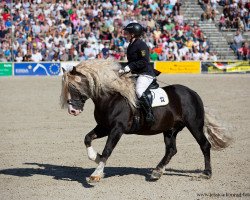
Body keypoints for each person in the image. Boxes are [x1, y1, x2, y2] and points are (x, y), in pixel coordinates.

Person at [118, 22, 156, 125]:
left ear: (133, 34)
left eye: (127, 33)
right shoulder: (131, 45)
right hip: (135, 73)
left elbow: (144, 61)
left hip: (145, 74)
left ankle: (149, 114)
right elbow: (131, 61)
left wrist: (129, 67)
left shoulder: (141, 45)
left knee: (139, 91)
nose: (125, 35)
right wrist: (121, 69)